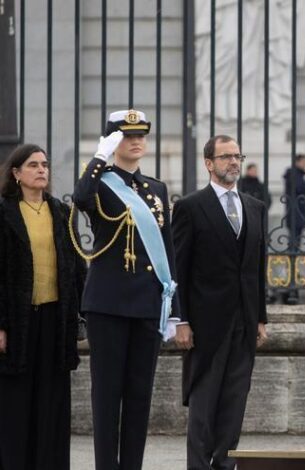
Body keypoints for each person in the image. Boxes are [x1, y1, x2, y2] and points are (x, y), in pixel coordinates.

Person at [72, 109, 180, 470]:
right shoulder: (100, 182)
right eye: (126, 136)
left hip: (147, 303)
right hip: (108, 303)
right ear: (114, 140)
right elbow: (81, 197)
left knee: (139, 397)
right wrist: (100, 156)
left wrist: (174, 310)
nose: (136, 141)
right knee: (106, 396)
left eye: (140, 135)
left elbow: (167, 252)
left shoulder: (157, 189)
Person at [172, 135, 269, 470]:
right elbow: (179, 269)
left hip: (244, 321)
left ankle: (225, 464)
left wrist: (260, 318)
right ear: (209, 163)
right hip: (205, 323)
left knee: (234, 401)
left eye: (237, 156)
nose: (234, 162)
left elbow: (257, 269)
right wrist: (179, 320)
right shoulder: (190, 207)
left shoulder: (255, 207)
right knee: (204, 402)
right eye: (226, 156)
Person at [0, 144, 85, 470]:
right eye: (33, 164)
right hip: (19, 322)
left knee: (52, 400)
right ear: (16, 173)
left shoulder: (60, 212)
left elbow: (76, 267)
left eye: (45, 164)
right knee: (16, 400)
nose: (41, 170)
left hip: (54, 319)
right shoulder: (5, 213)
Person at [283, 153, 305, 248]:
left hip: (298, 212)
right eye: (303, 162)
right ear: (297, 162)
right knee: (294, 240)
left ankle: (293, 260)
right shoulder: (293, 173)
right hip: (294, 212)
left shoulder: (297, 174)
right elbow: (299, 188)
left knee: (297, 239)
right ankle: (292, 261)